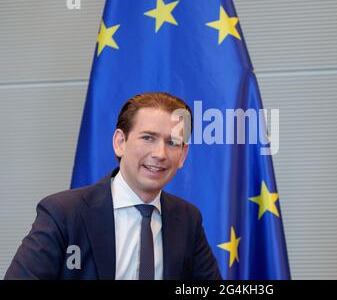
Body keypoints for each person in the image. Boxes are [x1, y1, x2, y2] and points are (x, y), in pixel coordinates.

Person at [4, 92, 222, 280]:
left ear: (183, 155)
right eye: (148, 138)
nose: (160, 154)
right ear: (120, 142)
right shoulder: (63, 213)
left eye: (172, 143)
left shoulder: (187, 218)